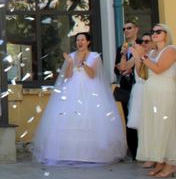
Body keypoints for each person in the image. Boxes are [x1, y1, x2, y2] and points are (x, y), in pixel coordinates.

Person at [33, 32, 127, 165]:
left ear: (88, 42)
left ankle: (93, 153)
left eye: (82, 40)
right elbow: (68, 76)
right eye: (77, 40)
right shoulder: (71, 56)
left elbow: (92, 75)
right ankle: (68, 152)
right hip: (72, 88)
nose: (79, 42)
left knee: (90, 117)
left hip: (90, 89)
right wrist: (70, 63)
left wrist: (83, 63)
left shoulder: (94, 56)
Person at [135, 24, 176, 178]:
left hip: (165, 91)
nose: (154, 34)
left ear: (166, 34)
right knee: (154, 126)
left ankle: (171, 163)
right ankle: (160, 160)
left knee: (166, 126)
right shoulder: (152, 52)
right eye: (153, 32)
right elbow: (142, 74)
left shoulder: (171, 50)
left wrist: (144, 56)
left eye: (159, 31)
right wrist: (139, 56)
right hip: (151, 91)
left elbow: (159, 68)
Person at [125, 33, 154, 167]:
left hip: (150, 90)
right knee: (141, 126)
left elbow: (146, 74)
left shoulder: (155, 55)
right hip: (139, 90)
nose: (144, 44)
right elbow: (123, 67)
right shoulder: (140, 56)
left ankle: (154, 156)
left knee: (152, 124)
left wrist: (139, 56)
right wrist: (124, 54)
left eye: (147, 41)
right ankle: (147, 154)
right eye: (142, 41)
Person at [114, 21, 139, 159]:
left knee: (141, 118)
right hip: (125, 88)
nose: (126, 31)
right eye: (124, 29)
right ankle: (134, 152)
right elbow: (115, 69)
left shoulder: (142, 44)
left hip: (140, 85)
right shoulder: (121, 48)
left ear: (136, 29)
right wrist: (120, 69)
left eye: (129, 28)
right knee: (129, 118)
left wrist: (131, 69)